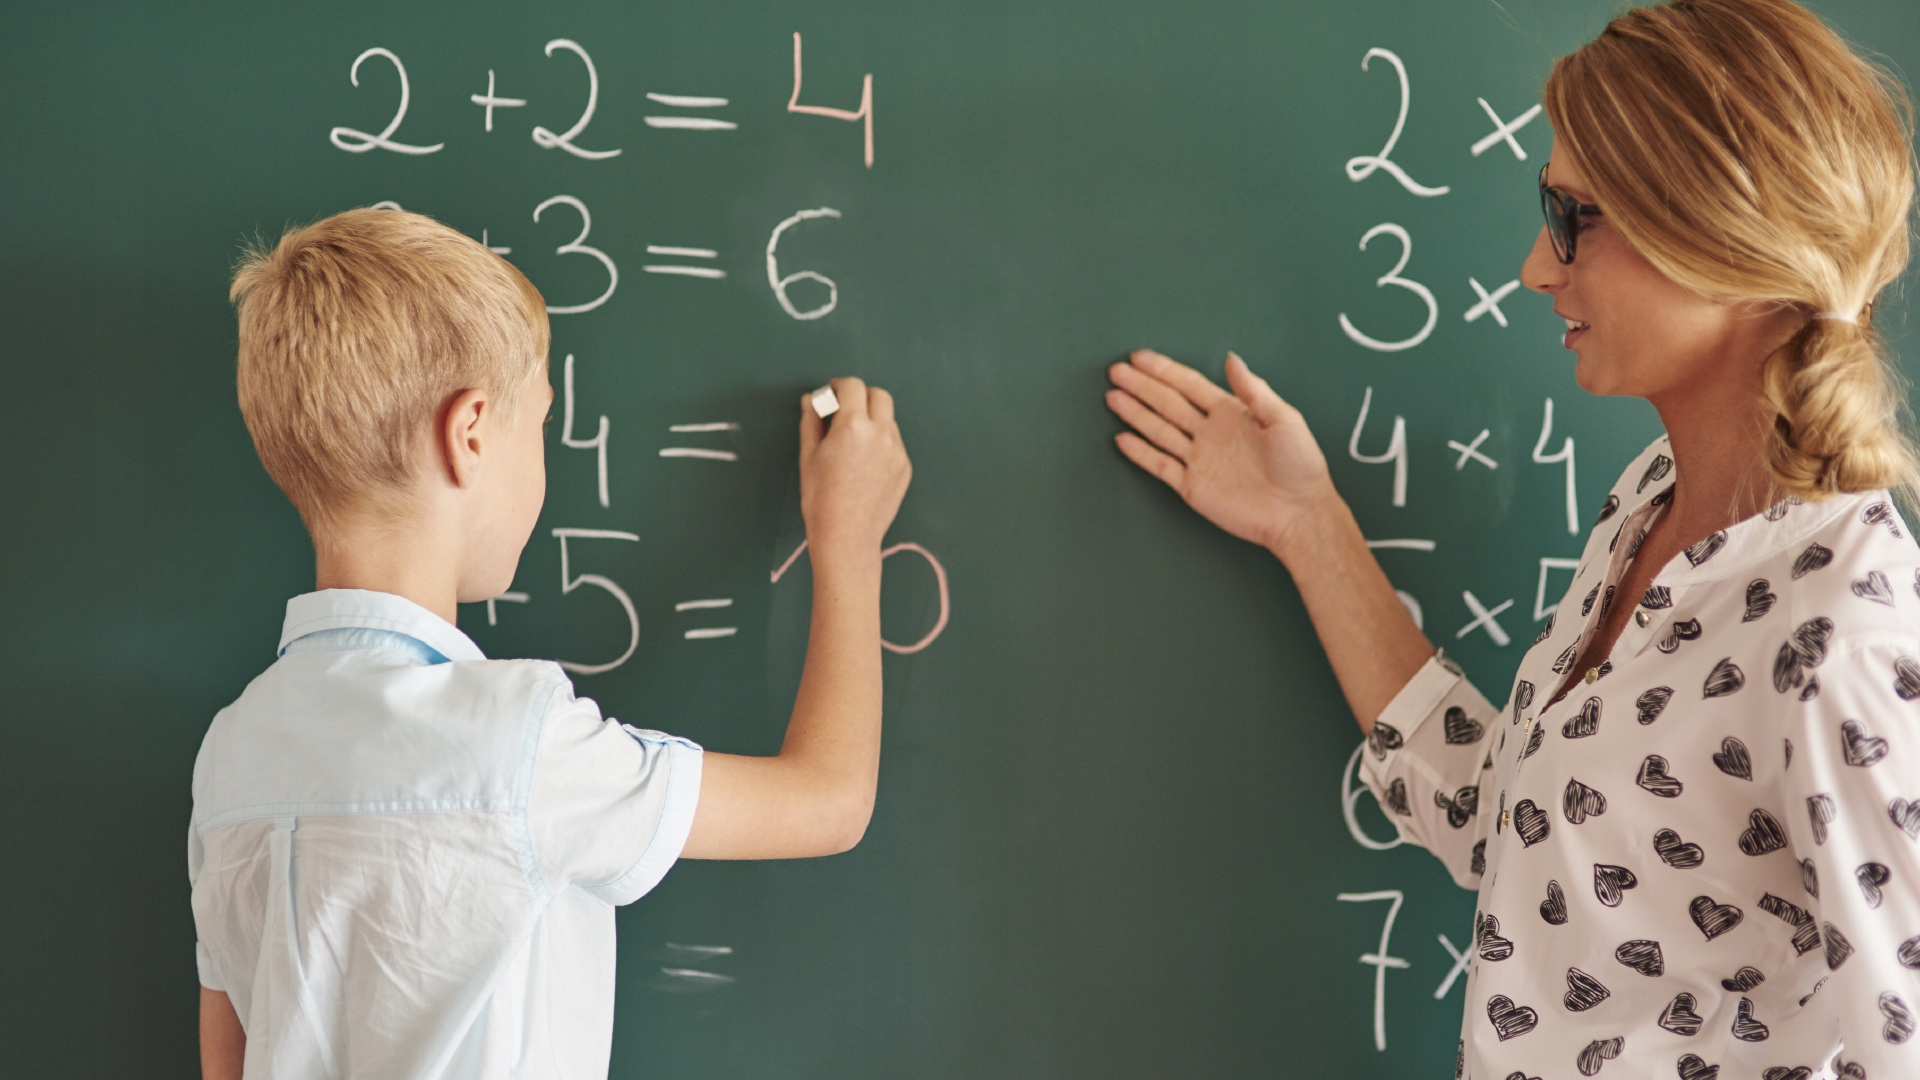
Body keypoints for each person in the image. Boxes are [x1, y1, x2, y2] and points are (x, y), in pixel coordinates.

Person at [1104, 0, 1920, 1075]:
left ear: (1721, 239)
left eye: (1576, 217)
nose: (1539, 265)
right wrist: (1309, 525)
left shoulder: (1843, 639)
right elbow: (1519, 837)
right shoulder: (1652, 503)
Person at [190, 208, 911, 1079]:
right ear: (469, 434)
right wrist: (848, 540)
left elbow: (229, 1060)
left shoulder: (230, 752)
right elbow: (829, 804)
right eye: (539, 424)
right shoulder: (520, 744)